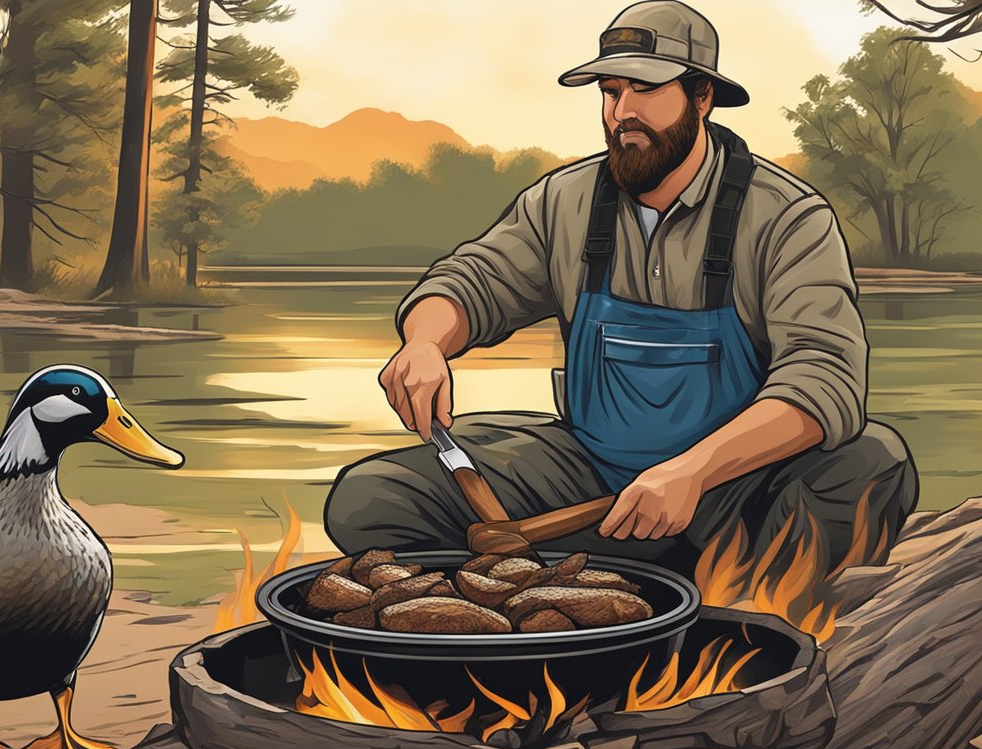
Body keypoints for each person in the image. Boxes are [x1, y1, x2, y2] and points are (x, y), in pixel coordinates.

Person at [323, 0, 918, 575]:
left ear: (702, 96)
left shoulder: (787, 216)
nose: (621, 112)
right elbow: (473, 280)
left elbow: (825, 378)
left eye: (646, 89)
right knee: (371, 497)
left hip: (732, 495)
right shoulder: (563, 201)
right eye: (611, 92)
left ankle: (715, 600)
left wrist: (692, 471)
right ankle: (535, 600)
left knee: (873, 463)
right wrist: (425, 342)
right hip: (594, 484)